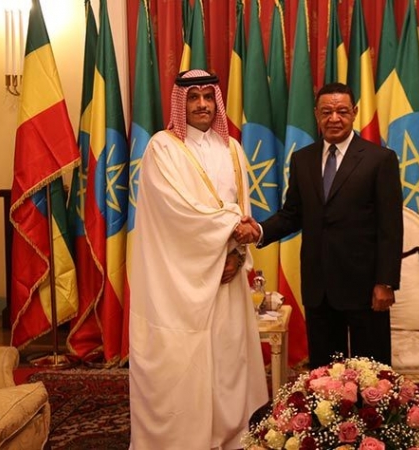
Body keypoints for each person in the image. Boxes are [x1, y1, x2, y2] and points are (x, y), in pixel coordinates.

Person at [128, 69, 268, 450]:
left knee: (228, 360)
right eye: (193, 97)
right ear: (181, 102)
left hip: (227, 278)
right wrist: (229, 231)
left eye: (208, 96)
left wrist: (237, 253)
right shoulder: (163, 148)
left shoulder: (232, 149)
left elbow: (244, 210)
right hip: (179, 282)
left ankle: (230, 437)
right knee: (183, 366)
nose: (202, 104)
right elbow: (177, 213)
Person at [238, 82, 403, 369]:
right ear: (316, 114)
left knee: (372, 373)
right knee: (324, 374)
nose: (334, 118)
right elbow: (292, 214)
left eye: (342, 111)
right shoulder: (302, 159)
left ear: (354, 113)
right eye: (326, 112)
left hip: (365, 287)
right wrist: (260, 230)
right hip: (319, 286)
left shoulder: (380, 159)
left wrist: (385, 282)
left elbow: (391, 227)